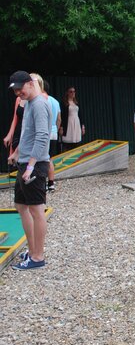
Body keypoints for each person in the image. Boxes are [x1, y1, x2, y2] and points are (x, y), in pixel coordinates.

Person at [7, 71, 51, 270]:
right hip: (24, 161)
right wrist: (17, 153)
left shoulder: (40, 104)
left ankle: (37, 256)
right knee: (20, 205)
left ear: (31, 84)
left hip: (35, 164)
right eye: (15, 90)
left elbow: (42, 136)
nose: (18, 93)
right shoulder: (29, 104)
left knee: (36, 208)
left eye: (20, 88)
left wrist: (31, 165)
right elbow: (26, 133)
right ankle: (32, 250)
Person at [30, 74, 59, 193]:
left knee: (42, 159)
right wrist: (56, 129)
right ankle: (51, 183)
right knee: (49, 159)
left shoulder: (39, 100)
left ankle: (40, 183)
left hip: (43, 132)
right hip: (53, 132)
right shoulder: (55, 101)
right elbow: (59, 119)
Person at [60, 86, 85, 152]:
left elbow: (80, 115)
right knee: (67, 142)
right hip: (68, 123)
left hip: (76, 123)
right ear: (67, 93)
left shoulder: (76, 103)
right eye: (71, 91)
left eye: (74, 91)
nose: (73, 93)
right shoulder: (64, 103)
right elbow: (62, 115)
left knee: (77, 141)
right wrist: (61, 127)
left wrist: (82, 126)